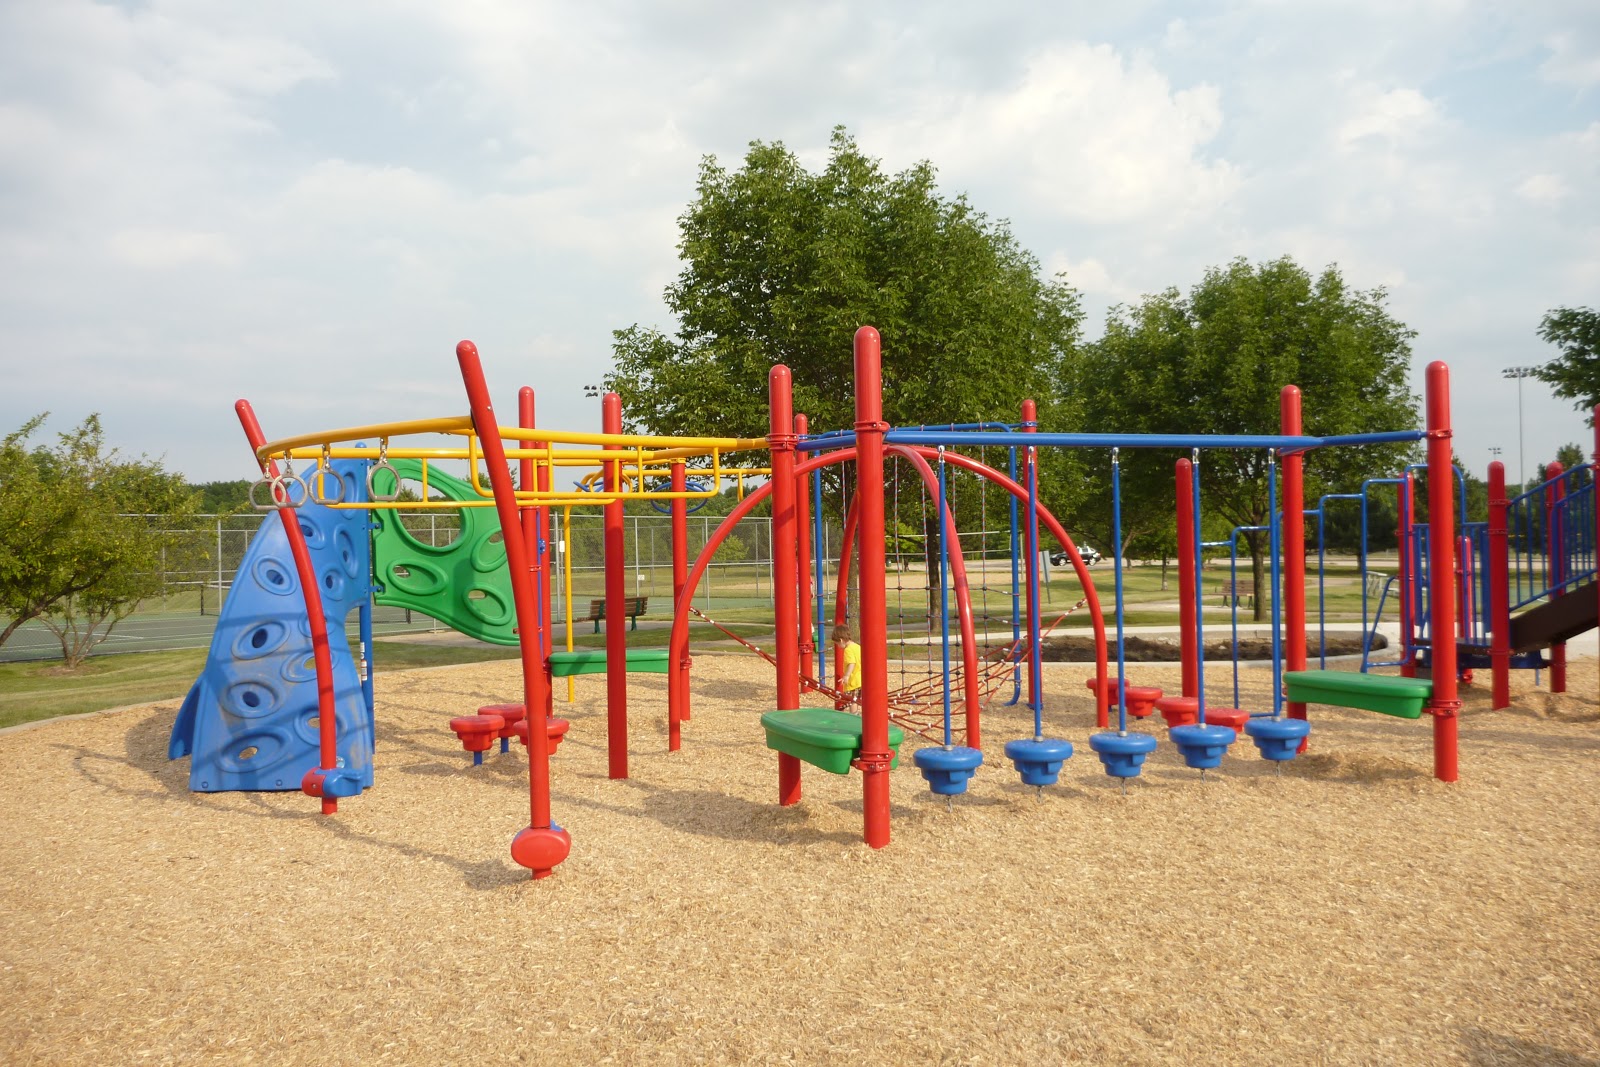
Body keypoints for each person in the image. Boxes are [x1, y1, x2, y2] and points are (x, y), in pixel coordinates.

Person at [832, 622, 861, 710]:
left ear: (841, 640)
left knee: (851, 701)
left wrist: (846, 675)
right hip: (860, 679)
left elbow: (852, 663)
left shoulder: (848, 650)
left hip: (853, 681)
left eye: (837, 644)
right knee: (856, 699)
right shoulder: (857, 646)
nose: (838, 646)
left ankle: (854, 715)